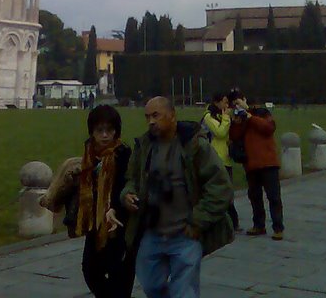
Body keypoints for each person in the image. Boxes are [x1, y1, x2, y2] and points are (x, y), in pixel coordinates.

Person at [121, 96, 233, 298]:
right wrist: (127, 194)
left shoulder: (195, 146)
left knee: (184, 291)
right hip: (153, 232)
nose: (151, 122)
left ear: (172, 116)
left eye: (156, 115)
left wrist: (198, 221)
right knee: (150, 285)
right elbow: (132, 179)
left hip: (185, 233)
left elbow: (221, 186)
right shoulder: (144, 146)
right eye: (147, 117)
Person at [42, 104, 134, 297]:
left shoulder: (124, 154)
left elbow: (128, 185)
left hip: (119, 225)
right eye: (100, 130)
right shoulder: (88, 155)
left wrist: (115, 208)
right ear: (92, 131)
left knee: (120, 276)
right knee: (91, 271)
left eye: (110, 130)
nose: (105, 135)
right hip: (94, 223)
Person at [229, 96, 284, 240]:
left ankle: (278, 227)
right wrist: (236, 123)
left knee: (274, 197)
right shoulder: (240, 119)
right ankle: (259, 225)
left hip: (268, 163)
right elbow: (234, 136)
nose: (237, 106)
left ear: (245, 100)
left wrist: (249, 115)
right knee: (255, 197)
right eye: (234, 104)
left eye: (238, 102)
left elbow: (269, 128)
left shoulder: (261, 113)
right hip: (251, 164)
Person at [202, 94, 240, 232]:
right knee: (218, 192)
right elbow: (220, 132)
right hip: (215, 159)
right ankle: (227, 221)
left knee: (228, 192)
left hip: (226, 159)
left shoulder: (224, 117)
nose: (227, 105)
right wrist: (226, 118)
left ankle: (230, 222)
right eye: (224, 102)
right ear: (216, 103)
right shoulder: (208, 117)